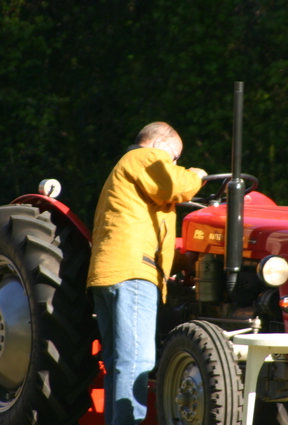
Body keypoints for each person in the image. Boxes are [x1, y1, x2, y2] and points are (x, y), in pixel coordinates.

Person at [87, 122, 207, 425]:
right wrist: (196, 176)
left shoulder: (126, 173)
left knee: (119, 363)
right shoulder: (142, 158)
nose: (175, 163)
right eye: (174, 157)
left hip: (109, 273)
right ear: (158, 145)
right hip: (133, 274)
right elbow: (173, 185)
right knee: (138, 361)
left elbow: (145, 230)